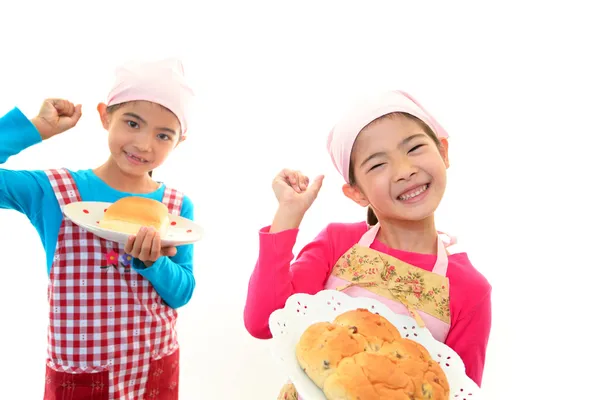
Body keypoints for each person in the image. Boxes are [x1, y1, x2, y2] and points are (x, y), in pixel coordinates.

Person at [243, 90, 492, 398]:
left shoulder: (470, 289)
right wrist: (288, 216)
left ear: (443, 151)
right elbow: (264, 322)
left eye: (414, 147)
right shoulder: (338, 242)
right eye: (377, 164)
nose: (405, 171)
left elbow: (457, 390)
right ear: (356, 193)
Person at [0, 58, 196, 400]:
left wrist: (154, 264)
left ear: (179, 141)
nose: (145, 144)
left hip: (154, 366)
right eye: (133, 123)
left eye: (163, 135)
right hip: (79, 371)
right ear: (106, 115)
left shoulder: (177, 208)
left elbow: (181, 293)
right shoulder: (54, 191)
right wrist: (36, 128)